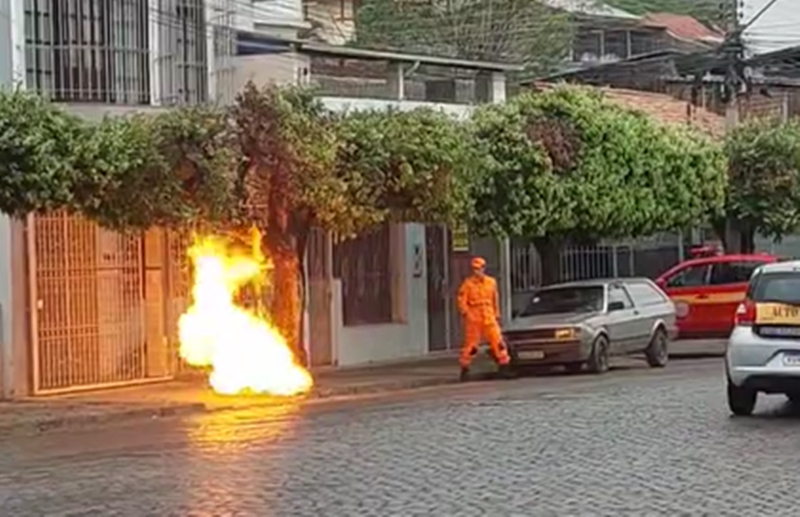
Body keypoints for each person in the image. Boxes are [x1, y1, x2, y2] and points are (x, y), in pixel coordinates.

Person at [456, 256, 511, 381]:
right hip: (474, 318)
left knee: (498, 342)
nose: (476, 271)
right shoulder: (468, 284)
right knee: (472, 346)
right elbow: (461, 300)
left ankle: (504, 366)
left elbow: (494, 299)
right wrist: (466, 313)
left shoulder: (491, 282)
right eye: (474, 269)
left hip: (489, 316)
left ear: (484, 268)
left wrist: (497, 314)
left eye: (479, 268)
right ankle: (465, 368)